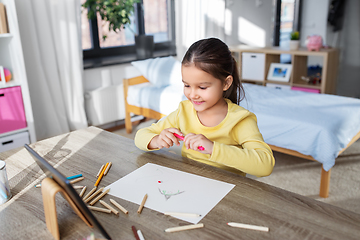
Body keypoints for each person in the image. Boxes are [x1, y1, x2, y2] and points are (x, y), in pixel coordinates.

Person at [134, 38, 275, 177]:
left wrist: (213, 148)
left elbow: (265, 165)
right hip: (189, 183)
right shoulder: (184, 111)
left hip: (228, 192)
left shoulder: (240, 120)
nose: (192, 94)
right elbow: (140, 136)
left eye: (202, 87)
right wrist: (157, 140)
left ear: (226, 83)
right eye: (187, 85)